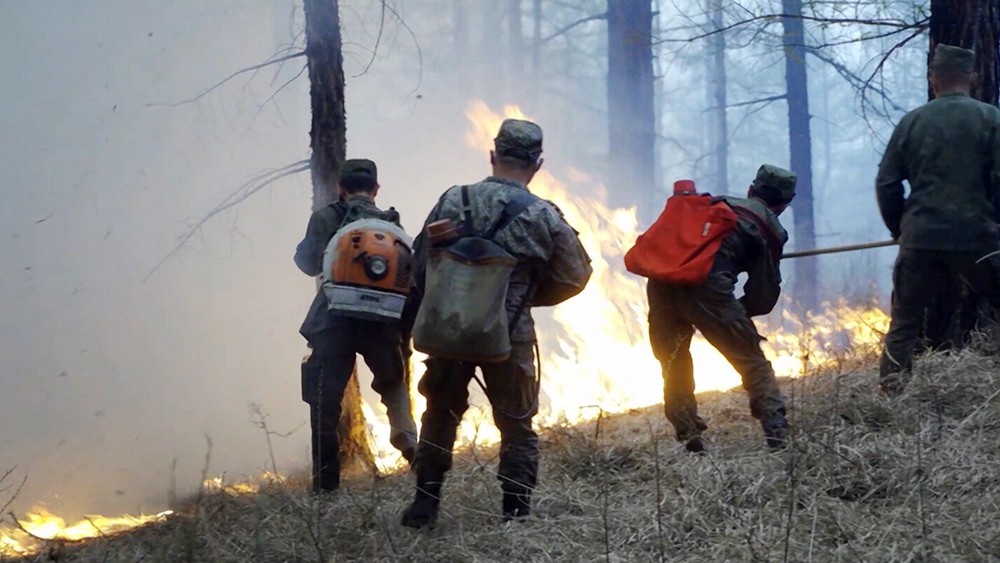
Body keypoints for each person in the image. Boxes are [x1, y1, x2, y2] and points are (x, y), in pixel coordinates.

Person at [400, 119, 592, 527]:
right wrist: (524, 298)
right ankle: (516, 516)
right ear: (537, 165)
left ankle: (424, 506)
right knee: (517, 424)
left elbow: (417, 264)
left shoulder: (453, 199)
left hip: (448, 327)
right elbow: (575, 276)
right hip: (509, 333)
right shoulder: (543, 214)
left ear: (493, 156)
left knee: (439, 413)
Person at [875, 43, 1000, 396]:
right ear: (972, 78)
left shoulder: (912, 121)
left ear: (934, 80)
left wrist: (898, 227)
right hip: (976, 236)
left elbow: (886, 182)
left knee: (905, 321)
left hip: (920, 239)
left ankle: (891, 396)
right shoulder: (990, 118)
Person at [647, 165, 797, 453]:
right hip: (708, 290)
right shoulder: (767, 227)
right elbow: (763, 295)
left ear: (751, 190)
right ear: (785, 204)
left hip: (661, 284)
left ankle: (690, 439)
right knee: (752, 362)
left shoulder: (713, 204)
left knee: (674, 361)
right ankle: (779, 439)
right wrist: (732, 315)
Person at [295, 158, 418, 493]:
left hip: (334, 320)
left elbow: (306, 263)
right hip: (382, 322)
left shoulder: (326, 217)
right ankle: (414, 455)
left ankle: (326, 488)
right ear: (375, 189)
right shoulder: (391, 223)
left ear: (340, 187)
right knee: (393, 388)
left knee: (325, 402)